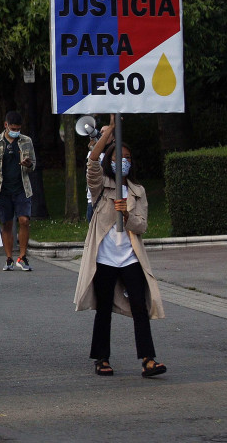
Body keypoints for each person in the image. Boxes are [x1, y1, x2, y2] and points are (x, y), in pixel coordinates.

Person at [73, 117, 167, 378]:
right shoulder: (101, 186)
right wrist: (111, 130)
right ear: (110, 161)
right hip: (104, 257)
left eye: (127, 158)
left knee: (140, 305)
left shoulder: (137, 191)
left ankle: (148, 359)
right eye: (117, 158)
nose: (122, 162)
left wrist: (127, 216)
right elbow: (92, 161)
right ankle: (101, 358)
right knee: (103, 309)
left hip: (130, 258)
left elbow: (142, 226)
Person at [0, 111, 36, 272]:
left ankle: (23, 256)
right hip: (2, 189)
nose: (16, 131)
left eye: (18, 128)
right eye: (13, 128)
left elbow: (33, 165)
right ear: (6, 125)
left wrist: (28, 164)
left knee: (24, 220)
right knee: (7, 223)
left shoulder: (26, 141)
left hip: (22, 188)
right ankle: (9, 258)